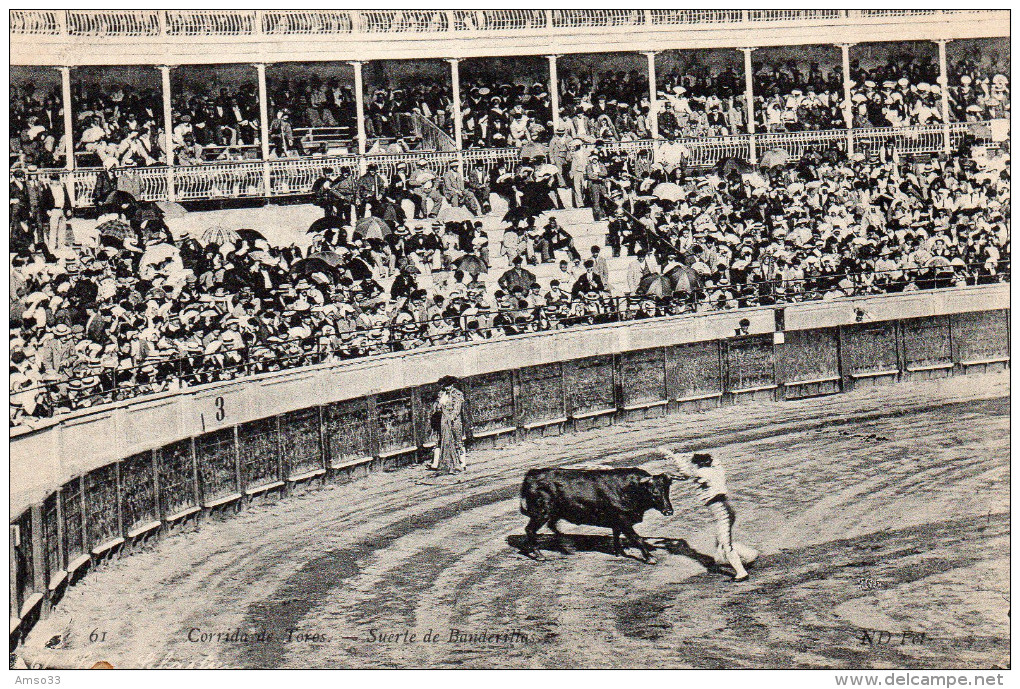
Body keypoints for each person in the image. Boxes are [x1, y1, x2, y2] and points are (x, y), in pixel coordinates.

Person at [657, 448, 750, 582]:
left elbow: (686, 473)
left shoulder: (702, 472)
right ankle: (737, 558)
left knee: (725, 544)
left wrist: (672, 456)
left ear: (698, 464)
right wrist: (690, 456)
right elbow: (715, 461)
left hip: (721, 511)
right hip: (727, 508)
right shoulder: (717, 469)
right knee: (721, 540)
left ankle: (742, 571)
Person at [431, 375, 467, 474]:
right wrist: (438, 407)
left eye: (447, 385)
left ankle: (462, 463)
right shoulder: (441, 394)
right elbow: (436, 407)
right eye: (444, 385)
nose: (446, 387)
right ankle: (440, 463)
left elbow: (457, 409)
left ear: (451, 385)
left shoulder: (457, 394)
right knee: (442, 440)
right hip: (443, 421)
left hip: (454, 421)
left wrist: (450, 418)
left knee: (457, 440)